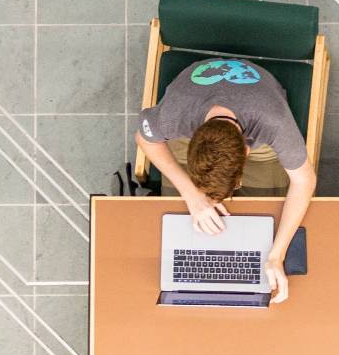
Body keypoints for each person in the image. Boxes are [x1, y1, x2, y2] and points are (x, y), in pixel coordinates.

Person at [134, 57, 317, 303]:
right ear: (192, 141)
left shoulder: (273, 124)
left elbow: (304, 181)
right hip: (196, 110)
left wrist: (277, 254)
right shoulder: (174, 117)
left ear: (246, 153)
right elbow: (144, 138)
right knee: (179, 211)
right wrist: (192, 194)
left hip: (259, 118)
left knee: (267, 214)